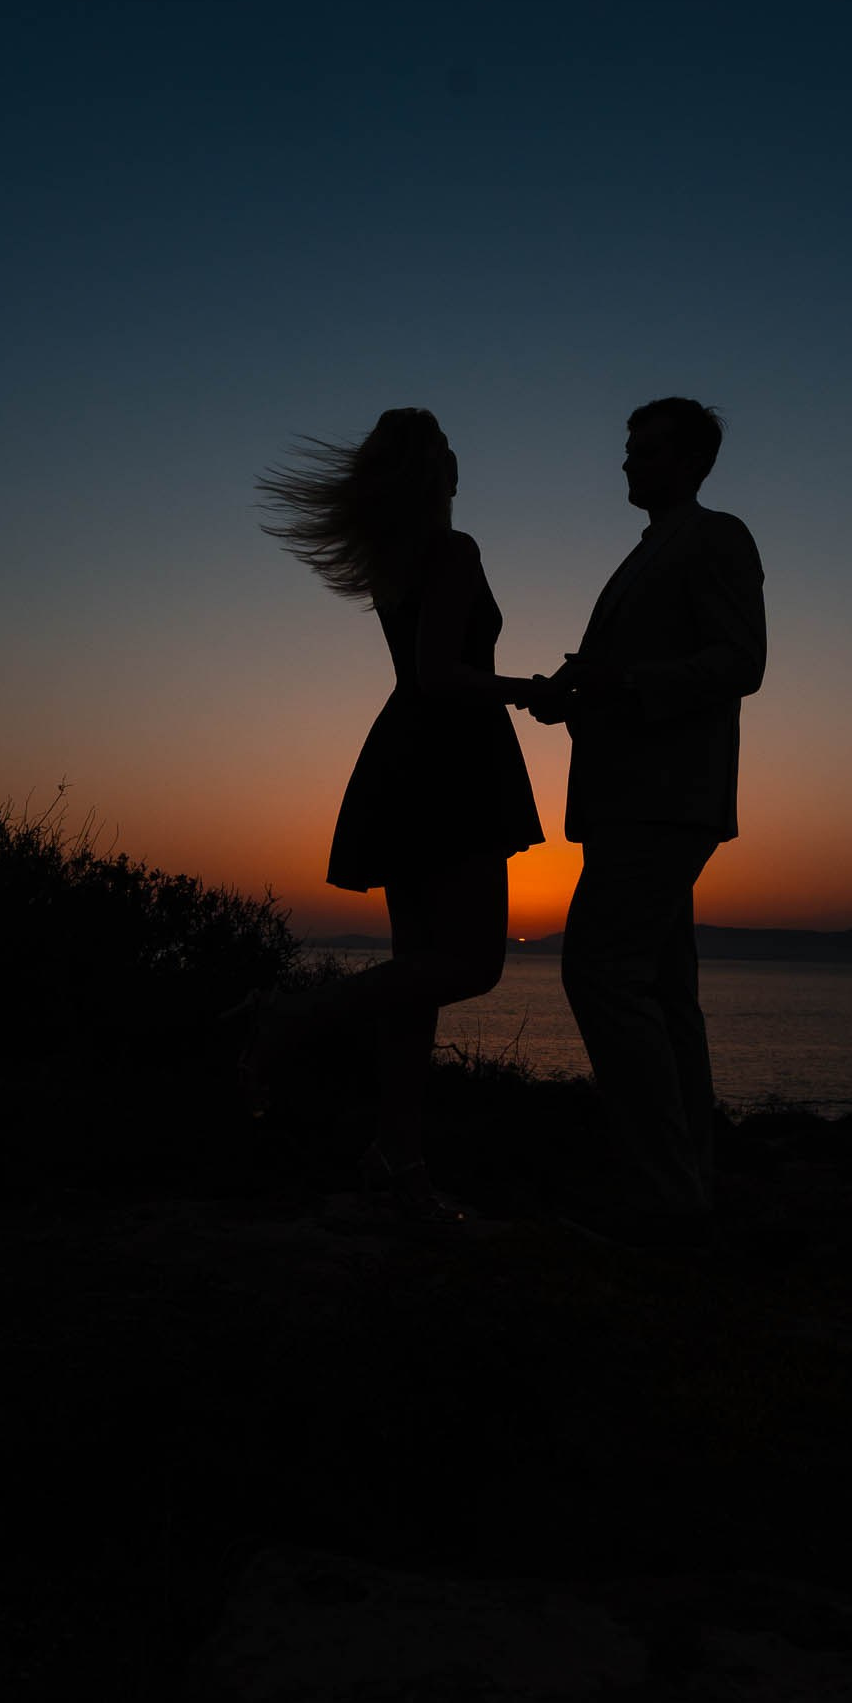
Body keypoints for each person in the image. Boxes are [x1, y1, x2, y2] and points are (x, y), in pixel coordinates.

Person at [243, 408, 545, 1233]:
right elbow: (440, 675)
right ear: (431, 473)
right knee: (474, 963)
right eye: (447, 450)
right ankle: (293, 1016)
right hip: (453, 762)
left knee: (418, 978)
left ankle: (395, 1158)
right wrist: (530, 690)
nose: (458, 460)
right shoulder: (452, 551)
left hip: (409, 764)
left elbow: (425, 674)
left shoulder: (396, 560)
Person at [527, 398, 765, 1247]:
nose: (627, 464)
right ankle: (683, 1187)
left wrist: (620, 684)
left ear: (693, 460)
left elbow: (742, 662)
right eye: (628, 449)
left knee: (599, 972)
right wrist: (580, 692)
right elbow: (635, 671)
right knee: (664, 996)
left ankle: (663, 1193)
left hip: (664, 800)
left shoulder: (716, 537)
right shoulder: (649, 552)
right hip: (639, 798)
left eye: (646, 451)